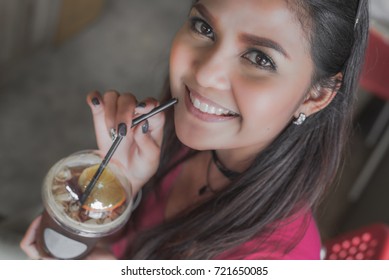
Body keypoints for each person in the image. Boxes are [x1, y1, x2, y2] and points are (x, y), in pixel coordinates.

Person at [21, 0, 369, 260]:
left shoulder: (274, 257)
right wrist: (122, 186)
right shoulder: (176, 140)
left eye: (260, 58)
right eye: (204, 28)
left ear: (316, 95)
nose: (203, 75)